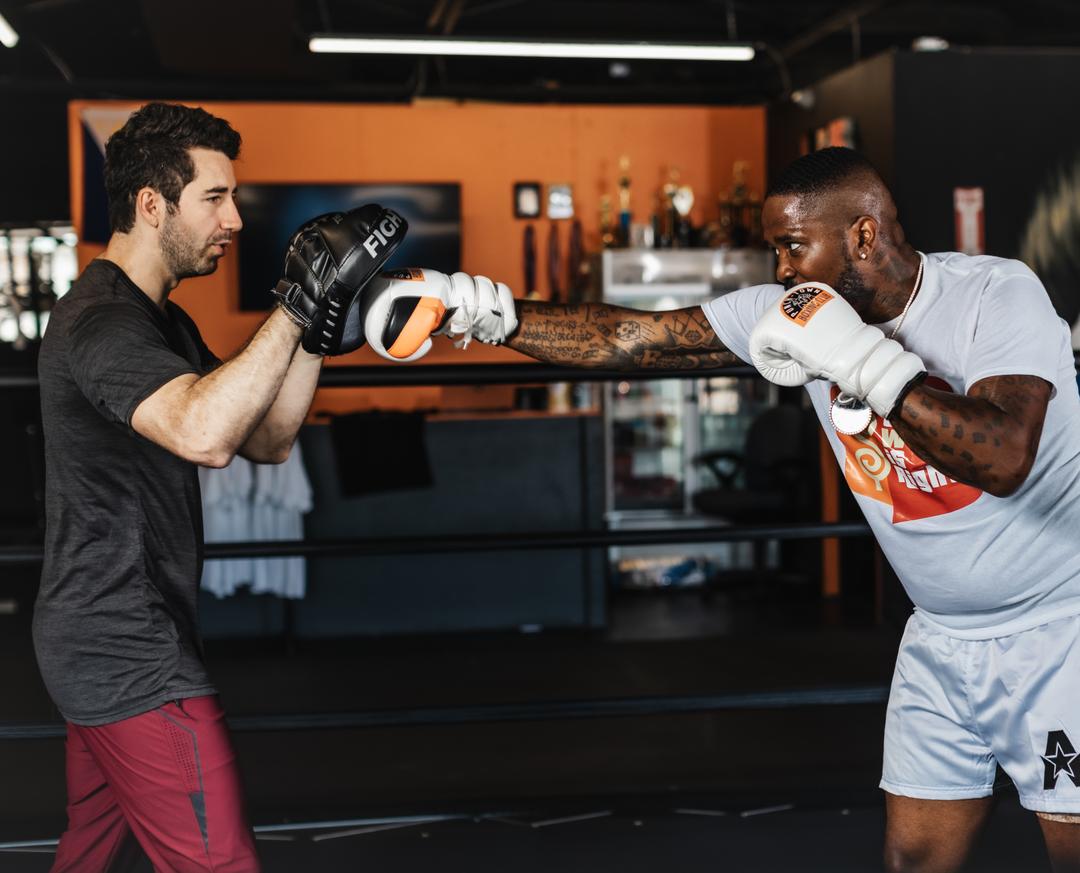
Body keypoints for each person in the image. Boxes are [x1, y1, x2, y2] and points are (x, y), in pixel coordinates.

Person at [367, 146, 1080, 872]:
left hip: (1059, 633)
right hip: (941, 641)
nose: (781, 272)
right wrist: (484, 313)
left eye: (794, 246)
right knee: (914, 861)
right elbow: (630, 340)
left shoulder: (995, 294)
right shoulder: (787, 312)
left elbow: (1002, 456)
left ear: (863, 236)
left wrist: (859, 359)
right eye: (774, 249)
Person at [34, 102, 419, 871]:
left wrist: (314, 328)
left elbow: (266, 437)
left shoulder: (160, 325)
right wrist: (296, 300)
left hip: (108, 636)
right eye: (215, 197)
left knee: (87, 856)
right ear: (152, 204)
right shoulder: (101, 324)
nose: (235, 219)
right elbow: (203, 434)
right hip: (127, 650)